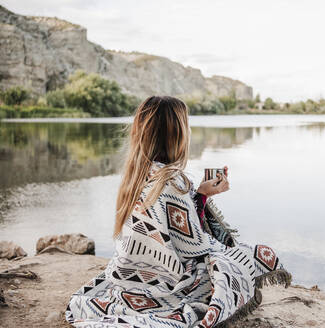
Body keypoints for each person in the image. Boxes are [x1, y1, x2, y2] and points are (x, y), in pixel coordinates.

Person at [65, 96, 291, 328]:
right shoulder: (173, 180)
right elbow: (194, 248)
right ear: (178, 134)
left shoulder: (136, 175)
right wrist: (225, 245)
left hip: (128, 276)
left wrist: (201, 195)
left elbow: (172, 230)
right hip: (166, 285)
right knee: (245, 258)